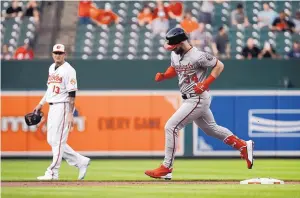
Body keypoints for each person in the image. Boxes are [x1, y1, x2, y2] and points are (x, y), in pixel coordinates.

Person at [144, 27, 254, 180]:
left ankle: (166, 167)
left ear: (181, 42)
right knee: (211, 129)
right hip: (188, 98)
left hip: (197, 98)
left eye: (173, 46)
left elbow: (219, 65)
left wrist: (206, 83)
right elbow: (174, 68)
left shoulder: (198, 56)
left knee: (171, 126)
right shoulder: (175, 54)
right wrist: (164, 75)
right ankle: (242, 145)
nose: (172, 49)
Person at [35, 44, 90, 180]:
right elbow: (50, 89)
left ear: (64, 54)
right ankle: (80, 161)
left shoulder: (69, 70)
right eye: (55, 53)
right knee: (52, 140)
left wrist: (71, 113)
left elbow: (72, 93)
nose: (58, 55)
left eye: (60, 53)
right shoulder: (51, 68)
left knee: (58, 140)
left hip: (64, 106)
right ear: (52, 54)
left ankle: (53, 172)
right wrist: (41, 103)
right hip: (52, 106)